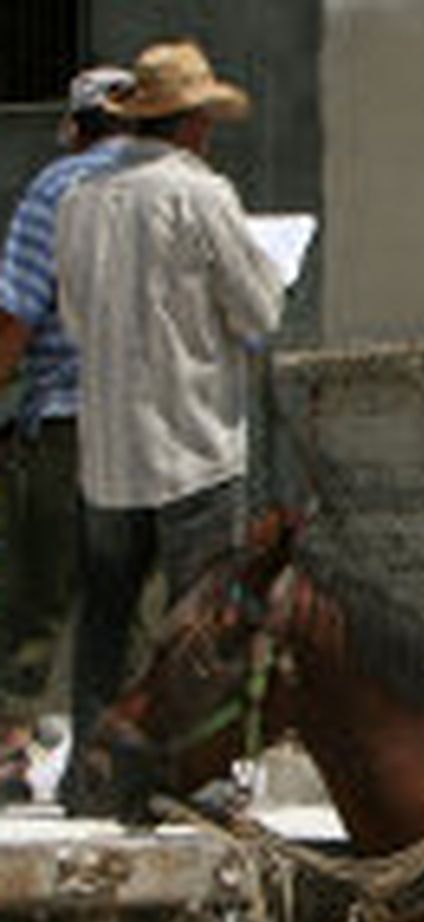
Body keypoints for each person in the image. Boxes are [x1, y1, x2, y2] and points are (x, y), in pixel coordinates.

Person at [55, 40, 284, 812]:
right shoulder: (202, 196)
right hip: (193, 445)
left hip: (110, 454)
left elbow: (75, 318)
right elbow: (260, 310)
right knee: (197, 624)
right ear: (192, 126)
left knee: (107, 622)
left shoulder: (79, 202)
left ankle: (90, 777)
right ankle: (193, 775)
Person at [0, 66, 133, 800]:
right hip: (149, 431)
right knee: (127, 597)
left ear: (77, 126)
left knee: (34, 592)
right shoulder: (176, 186)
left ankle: (11, 750)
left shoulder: (56, 188)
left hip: (61, 419)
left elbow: (16, 310)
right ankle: (113, 753)